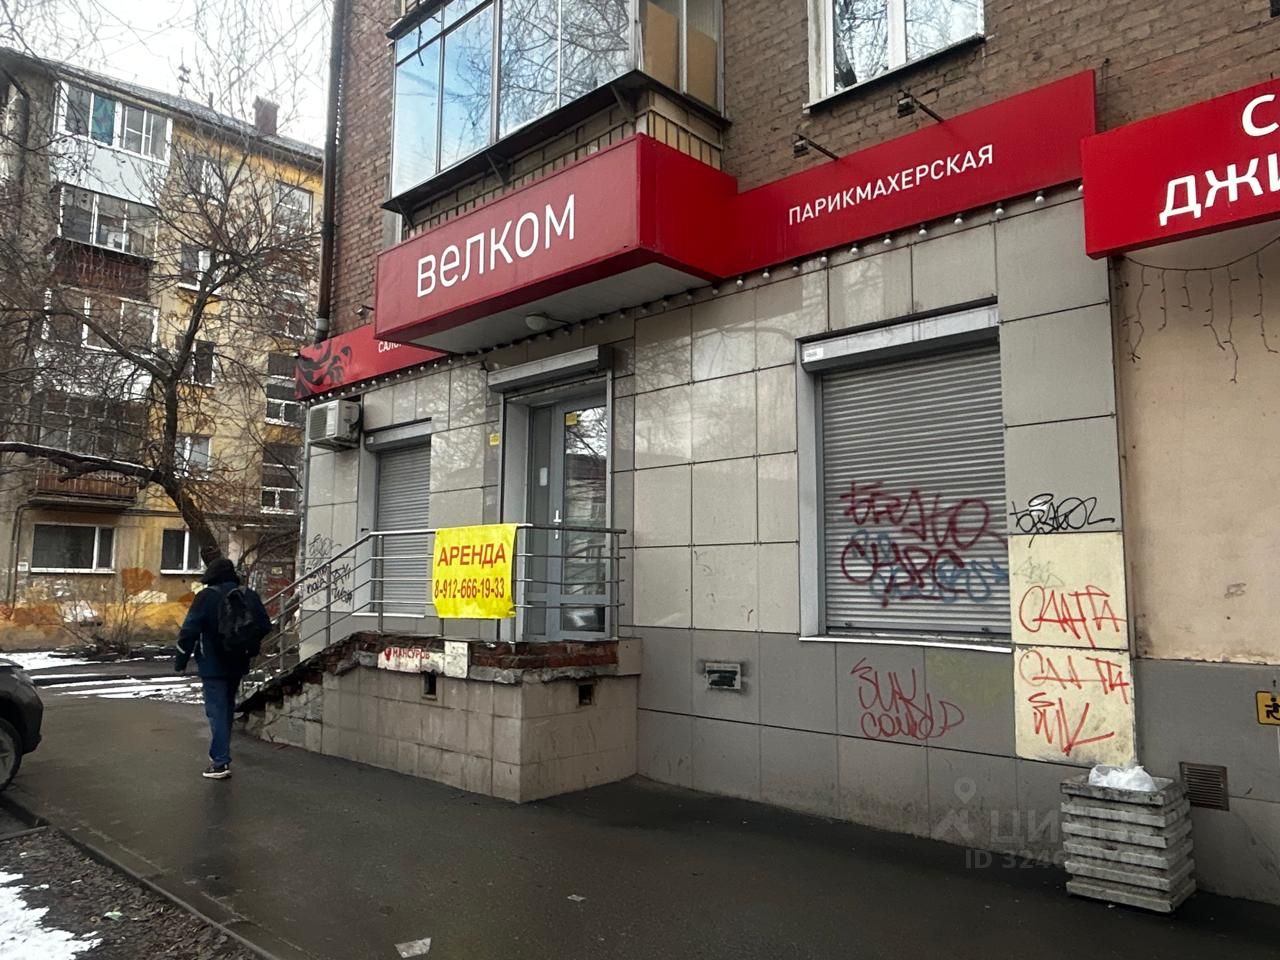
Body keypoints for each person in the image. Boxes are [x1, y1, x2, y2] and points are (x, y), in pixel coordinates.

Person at [175, 557, 271, 780]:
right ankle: (221, 755)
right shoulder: (248, 595)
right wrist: (246, 644)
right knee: (226, 708)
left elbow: (189, 630)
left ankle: (220, 762)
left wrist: (181, 660)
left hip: (212, 663)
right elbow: (265, 625)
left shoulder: (206, 597)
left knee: (217, 710)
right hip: (238, 660)